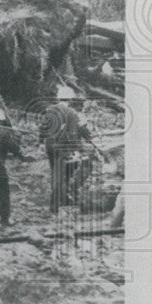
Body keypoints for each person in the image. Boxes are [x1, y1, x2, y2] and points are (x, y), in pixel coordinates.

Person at [39, 85, 93, 214]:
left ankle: (62, 198)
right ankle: (55, 207)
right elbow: (74, 133)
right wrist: (79, 148)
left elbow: (43, 127)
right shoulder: (71, 113)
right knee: (63, 173)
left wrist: (40, 142)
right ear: (70, 100)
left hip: (50, 146)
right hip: (63, 147)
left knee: (57, 172)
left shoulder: (50, 110)